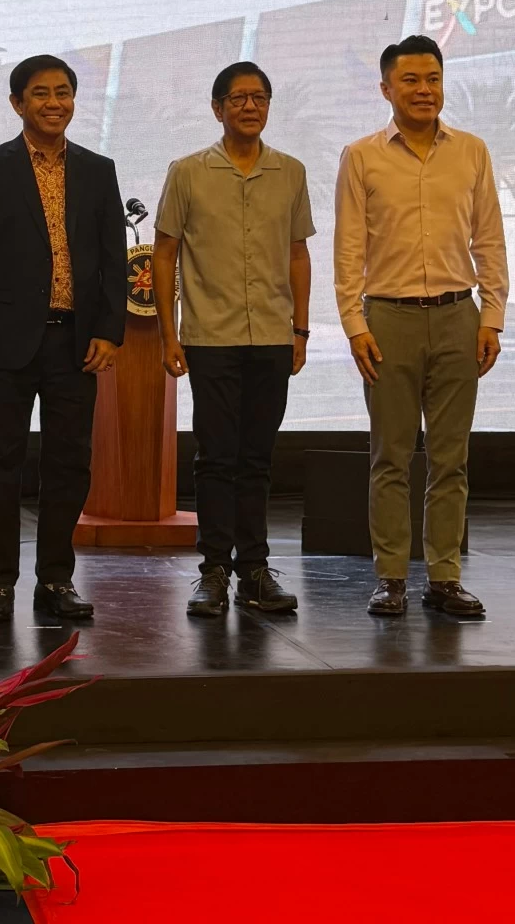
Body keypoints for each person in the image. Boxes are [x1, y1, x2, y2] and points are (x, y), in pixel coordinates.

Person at [334, 35, 508, 619]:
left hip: (461, 316)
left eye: (432, 78)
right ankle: (390, 577)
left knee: (451, 458)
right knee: (391, 457)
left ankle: (444, 576)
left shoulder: (473, 151)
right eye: (410, 80)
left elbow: (489, 238)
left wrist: (494, 316)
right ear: (386, 89)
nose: (424, 90)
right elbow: (348, 248)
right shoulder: (361, 156)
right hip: (388, 318)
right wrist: (354, 325)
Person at [0, 54, 127, 622]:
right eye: (41, 93)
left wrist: (108, 329)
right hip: (3, 344)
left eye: (64, 92)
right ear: (17, 103)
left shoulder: (99, 170)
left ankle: (55, 579)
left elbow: (113, 261)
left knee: (70, 464)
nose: (55, 103)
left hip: (75, 342)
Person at [152, 62, 315, 618]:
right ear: (218, 108)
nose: (250, 106)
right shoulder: (187, 171)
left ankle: (255, 570)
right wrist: (168, 334)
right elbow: (165, 253)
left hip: (271, 333)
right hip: (210, 336)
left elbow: (298, 253)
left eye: (260, 97)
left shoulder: (290, 172)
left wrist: (301, 328)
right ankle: (214, 570)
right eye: (239, 98)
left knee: (258, 458)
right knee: (216, 456)